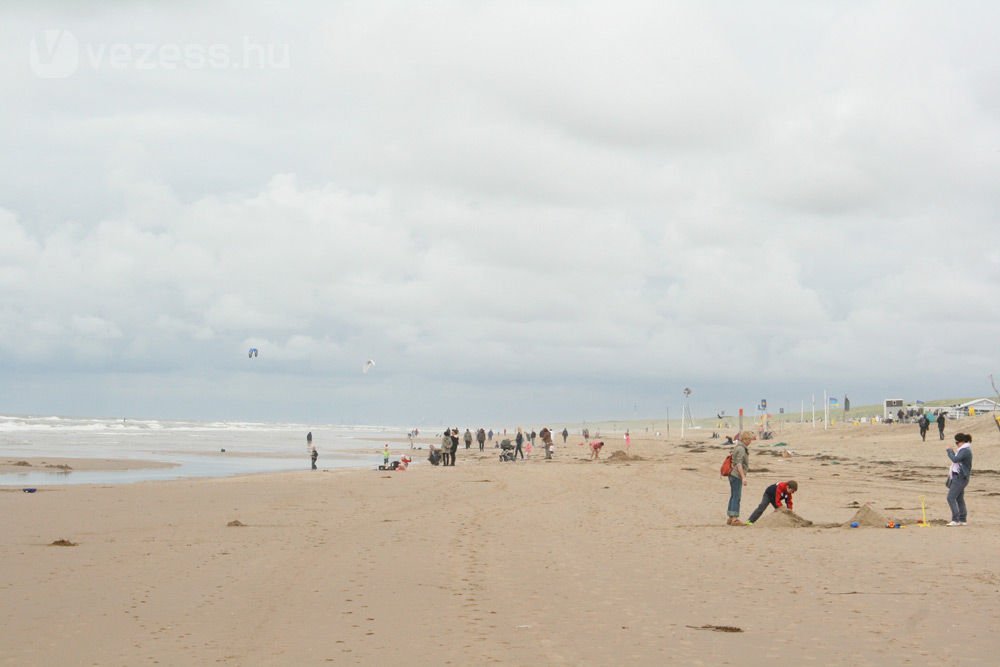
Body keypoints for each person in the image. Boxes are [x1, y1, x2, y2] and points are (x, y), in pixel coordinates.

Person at [946, 433, 973, 526]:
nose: (956, 444)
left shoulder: (965, 450)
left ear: (962, 442)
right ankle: (962, 519)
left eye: (957, 442)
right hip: (959, 476)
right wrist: (952, 452)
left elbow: (955, 459)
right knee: (959, 498)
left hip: (960, 477)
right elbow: (957, 459)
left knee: (950, 498)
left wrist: (949, 451)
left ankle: (955, 519)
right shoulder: (963, 450)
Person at [727, 432, 752, 525]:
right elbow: (739, 464)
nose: (750, 441)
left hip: (732, 474)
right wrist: (743, 477)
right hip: (736, 475)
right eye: (749, 439)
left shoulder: (738, 447)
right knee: (736, 496)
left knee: (734, 495)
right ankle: (734, 518)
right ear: (744, 439)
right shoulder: (741, 449)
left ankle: (730, 517)